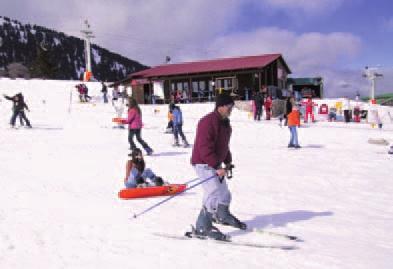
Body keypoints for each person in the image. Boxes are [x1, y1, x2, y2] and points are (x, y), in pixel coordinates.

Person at [191, 93, 247, 241]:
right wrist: (217, 165)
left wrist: (227, 161)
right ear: (220, 106)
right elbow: (204, 148)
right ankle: (202, 226)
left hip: (215, 164)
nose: (231, 109)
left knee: (224, 194)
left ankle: (222, 216)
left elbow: (224, 146)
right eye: (229, 106)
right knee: (213, 192)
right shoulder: (207, 122)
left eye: (231, 107)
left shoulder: (225, 124)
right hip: (203, 163)